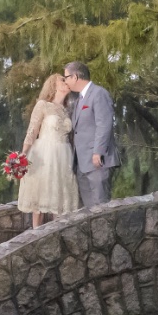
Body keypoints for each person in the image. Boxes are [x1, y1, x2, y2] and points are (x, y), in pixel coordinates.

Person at [18, 73, 80, 227]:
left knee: (59, 199)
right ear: (53, 85)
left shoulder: (67, 110)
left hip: (64, 156)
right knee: (39, 199)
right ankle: (35, 235)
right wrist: (22, 155)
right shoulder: (43, 105)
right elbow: (32, 131)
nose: (66, 83)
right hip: (44, 155)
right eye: (62, 80)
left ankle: (56, 236)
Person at [62, 61, 120, 206]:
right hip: (82, 164)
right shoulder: (79, 99)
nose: (65, 81)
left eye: (66, 77)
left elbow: (104, 124)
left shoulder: (99, 93)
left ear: (75, 77)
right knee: (89, 211)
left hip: (97, 162)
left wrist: (97, 152)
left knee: (101, 207)